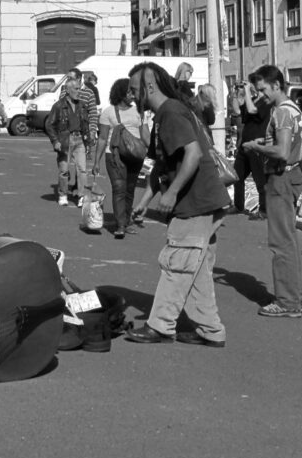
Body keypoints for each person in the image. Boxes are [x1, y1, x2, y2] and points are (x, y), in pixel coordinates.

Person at [124, 62, 227, 347]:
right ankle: (210, 330)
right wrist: (146, 200)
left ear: (150, 87)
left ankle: (160, 325)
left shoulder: (170, 112)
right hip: (206, 200)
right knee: (196, 269)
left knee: (178, 263)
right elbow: (163, 163)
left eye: (134, 90)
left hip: (196, 202)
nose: (132, 96)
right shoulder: (166, 113)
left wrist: (170, 195)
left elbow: (192, 155)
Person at [242, 64, 302, 319]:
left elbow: (281, 151)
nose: (260, 95)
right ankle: (292, 295)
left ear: (277, 85)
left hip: (280, 176)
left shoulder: (280, 112)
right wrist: (263, 142)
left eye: (263, 90)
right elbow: (286, 144)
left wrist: (255, 147)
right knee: (288, 240)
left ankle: (288, 300)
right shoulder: (292, 109)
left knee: (280, 242)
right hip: (290, 174)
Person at [93, 78, 146, 239]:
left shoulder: (139, 111)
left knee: (130, 189)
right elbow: (102, 138)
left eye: (133, 92)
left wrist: (151, 152)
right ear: (120, 93)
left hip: (136, 155)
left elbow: (144, 133)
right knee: (118, 188)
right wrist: (96, 161)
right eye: (129, 92)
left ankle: (127, 221)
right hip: (114, 155)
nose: (132, 95)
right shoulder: (108, 112)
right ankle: (120, 225)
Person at [45, 77, 92, 207]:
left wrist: (88, 143)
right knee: (64, 170)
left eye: (79, 89)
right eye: (77, 89)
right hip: (65, 140)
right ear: (68, 90)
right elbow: (49, 125)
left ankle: (82, 195)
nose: (79, 92)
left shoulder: (82, 105)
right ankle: (63, 194)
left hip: (80, 139)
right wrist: (55, 141)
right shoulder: (59, 105)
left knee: (82, 169)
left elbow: (85, 125)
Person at [232, 75, 272, 220]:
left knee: (260, 180)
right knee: (237, 176)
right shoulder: (254, 99)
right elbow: (240, 111)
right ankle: (238, 206)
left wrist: (248, 91)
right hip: (245, 143)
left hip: (256, 145)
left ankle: (264, 211)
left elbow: (252, 110)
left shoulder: (266, 101)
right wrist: (239, 94)